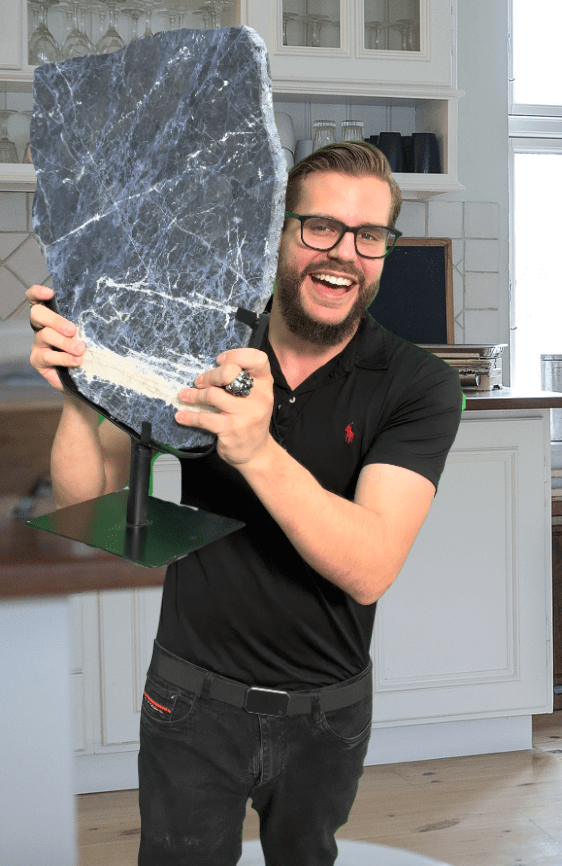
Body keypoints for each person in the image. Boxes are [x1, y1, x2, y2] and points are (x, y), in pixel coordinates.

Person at [28, 141, 463, 866]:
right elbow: (90, 509)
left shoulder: (417, 385)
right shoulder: (203, 345)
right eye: (320, 226)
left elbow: (370, 567)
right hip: (190, 699)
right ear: (278, 233)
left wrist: (256, 451)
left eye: (369, 235)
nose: (344, 253)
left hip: (329, 711)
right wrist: (81, 394)